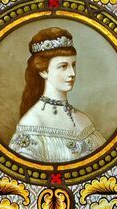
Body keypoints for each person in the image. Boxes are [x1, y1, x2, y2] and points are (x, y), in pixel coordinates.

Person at [7, 26, 106, 163]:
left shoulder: (83, 119)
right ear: (43, 72)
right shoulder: (33, 123)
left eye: (73, 65)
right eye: (63, 66)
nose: (72, 73)